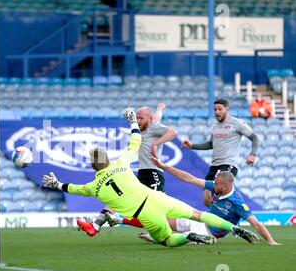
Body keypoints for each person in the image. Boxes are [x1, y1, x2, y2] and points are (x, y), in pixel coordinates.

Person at [42, 107, 259, 247]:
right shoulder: (121, 164)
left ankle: (189, 237)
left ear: (92, 166)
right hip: (155, 198)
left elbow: (74, 188)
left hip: (144, 211)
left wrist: (56, 184)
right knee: (198, 214)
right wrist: (132, 123)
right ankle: (235, 229)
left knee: (166, 239)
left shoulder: (93, 186)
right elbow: (134, 142)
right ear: (107, 160)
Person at [77, 103, 178, 237]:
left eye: (141, 118)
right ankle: (95, 226)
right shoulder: (146, 128)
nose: (138, 121)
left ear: (149, 118)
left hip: (154, 174)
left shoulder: (154, 128)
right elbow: (156, 118)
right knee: (118, 198)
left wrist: (156, 143)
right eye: (137, 118)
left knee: (154, 212)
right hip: (142, 174)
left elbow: (173, 132)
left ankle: (120, 220)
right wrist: (160, 109)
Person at [132, 157, 280, 245]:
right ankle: (155, 235)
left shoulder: (237, 202)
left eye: (216, 184)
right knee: (164, 220)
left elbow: (256, 223)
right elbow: (189, 178)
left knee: (174, 240)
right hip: (199, 219)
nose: (213, 185)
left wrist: (270, 241)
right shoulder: (216, 187)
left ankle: (160, 238)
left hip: (207, 231)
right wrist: (165, 167)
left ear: (226, 186)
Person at [181, 99, 260, 208]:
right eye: (215, 110)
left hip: (228, 165)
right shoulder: (215, 126)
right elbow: (211, 144)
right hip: (214, 166)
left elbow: (255, 137)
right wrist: (192, 146)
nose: (217, 112)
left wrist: (253, 154)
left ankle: (235, 214)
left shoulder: (236, 123)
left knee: (217, 193)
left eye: (220, 109)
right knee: (206, 199)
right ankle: (222, 219)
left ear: (227, 109)